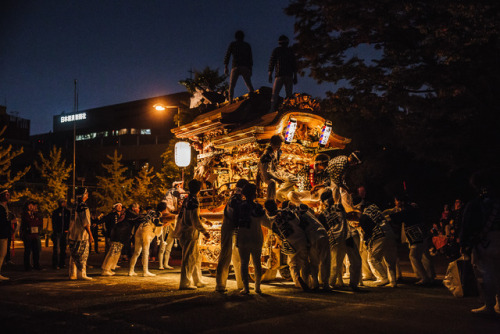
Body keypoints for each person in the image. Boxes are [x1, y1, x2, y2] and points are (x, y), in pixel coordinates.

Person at [460, 168, 500, 315]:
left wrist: (464, 244)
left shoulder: (477, 203)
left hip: (485, 242)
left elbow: (468, 224)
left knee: (486, 274)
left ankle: (489, 305)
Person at [317, 189, 362, 291]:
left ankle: (352, 284)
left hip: (346, 237)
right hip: (337, 239)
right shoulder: (324, 214)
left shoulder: (338, 207)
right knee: (336, 264)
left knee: (352, 261)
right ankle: (330, 283)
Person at [173, 179, 212, 290]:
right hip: (189, 232)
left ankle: (197, 279)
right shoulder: (194, 200)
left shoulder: (188, 199)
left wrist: (204, 221)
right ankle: (185, 282)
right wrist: (204, 231)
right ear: (199, 188)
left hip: (185, 230)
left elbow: (192, 215)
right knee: (189, 258)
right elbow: (194, 219)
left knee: (195, 257)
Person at [350, 200, 398, 288]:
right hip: (390, 232)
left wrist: (368, 244)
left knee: (372, 258)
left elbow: (368, 233)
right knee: (389, 260)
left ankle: (383, 278)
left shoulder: (363, 217)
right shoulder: (375, 208)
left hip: (380, 235)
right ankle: (393, 281)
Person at [389, 195, 435, 285]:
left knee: (414, 256)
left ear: (400, 201)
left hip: (417, 235)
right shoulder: (411, 208)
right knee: (424, 255)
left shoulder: (408, 209)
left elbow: (396, 218)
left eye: (396, 201)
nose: (395, 203)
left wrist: (391, 214)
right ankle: (430, 275)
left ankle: (424, 277)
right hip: (421, 234)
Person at [265, 199, 309, 291]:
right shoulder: (287, 212)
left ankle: (298, 283)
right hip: (301, 236)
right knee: (304, 261)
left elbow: (278, 235)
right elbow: (297, 221)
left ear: (266, 210)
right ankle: (307, 282)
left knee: (293, 264)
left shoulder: (271, 221)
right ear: (276, 205)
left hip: (291, 242)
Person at [236, 183, 271, 294]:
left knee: (244, 263)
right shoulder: (258, 207)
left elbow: (235, 222)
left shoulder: (239, 207)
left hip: (243, 237)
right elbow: (267, 222)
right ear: (254, 194)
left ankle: (246, 288)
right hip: (256, 236)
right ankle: (257, 287)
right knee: (257, 263)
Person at [215, 179, 248, 292]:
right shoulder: (237, 199)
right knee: (227, 255)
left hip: (230, 227)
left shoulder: (234, 197)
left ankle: (239, 283)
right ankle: (221, 285)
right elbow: (236, 216)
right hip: (230, 228)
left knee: (235, 256)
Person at [129, 202, 172, 277]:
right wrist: (165, 225)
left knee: (137, 252)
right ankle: (145, 271)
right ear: (164, 209)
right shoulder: (159, 215)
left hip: (140, 228)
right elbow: (157, 225)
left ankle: (131, 271)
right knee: (145, 251)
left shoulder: (151, 211)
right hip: (146, 230)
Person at [296, 203, 331, 290]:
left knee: (314, 262)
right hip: (322, 235)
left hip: (312, 238)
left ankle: (316, 283)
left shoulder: (299, 217)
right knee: (325, 261)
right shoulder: (311, 215)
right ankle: (325, 283)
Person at [101, 203, 141, 276]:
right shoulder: (130, 213)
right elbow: (139, 217)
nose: (139, 209)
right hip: (119, 234)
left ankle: (108, 268)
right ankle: (106, 269)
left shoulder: (128, 213)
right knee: (114, 251)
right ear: (133, 208)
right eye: (138, 208)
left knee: (116, 252)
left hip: (120, 235)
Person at [159, 181, 186, 270]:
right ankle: (160, 264)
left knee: (170, 243)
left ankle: (165, 263)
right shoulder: (168, 197)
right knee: (163, 243)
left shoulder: (177, 197)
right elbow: (168, 209)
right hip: (166, 223)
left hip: (173, 222)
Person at [68, 188, 93, 280]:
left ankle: (72, 273)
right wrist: (90, 234)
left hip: (72, 234)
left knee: (73, 254)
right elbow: (85, 223)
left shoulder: (74, 206)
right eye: (86, 193)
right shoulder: (84, 207)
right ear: (83, 196)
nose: (88, 195)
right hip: (81, 235)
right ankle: (81, 274)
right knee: (82, 254)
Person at [268, 35, 298, 112]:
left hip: (279, 75)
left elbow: (272, 62)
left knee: (275, 93)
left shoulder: (276, 50)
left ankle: (272, 109)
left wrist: (270, 74)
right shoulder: (290, 51)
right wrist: (295, 76)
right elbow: (294, 64)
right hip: (289, 75)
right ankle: (289, 109)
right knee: (289, 94)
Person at [224, 30, 254, 103]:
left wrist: (226, 66)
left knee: (232, 85)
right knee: (248, 83)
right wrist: (250, 68)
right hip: (245, 67)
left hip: (235, 66)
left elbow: (227, 55)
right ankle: (253, 97)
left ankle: (230, 100)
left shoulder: (233, 44)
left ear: (236, 37)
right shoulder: (247, 45)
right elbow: (250, 58)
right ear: (243, 37)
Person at [258, 135, 284, 200]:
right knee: (272, 182)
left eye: (280, 146)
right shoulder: (266, 156)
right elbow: (266, 172)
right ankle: (271, 200)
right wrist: (277, 179)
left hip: (274, 173)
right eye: (277, 146)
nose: (278, 148)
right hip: (267, 176)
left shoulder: (277, 152)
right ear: (272, 144)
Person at [20, 201, 43, 271]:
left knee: (36, 251)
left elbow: (39, 222)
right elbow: (28, 223)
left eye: (32, 205)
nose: (31, 207)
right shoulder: (25, 215)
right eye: (29, 205)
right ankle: (27, 266)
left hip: (35, 235)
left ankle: (36, 265)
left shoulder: (35, 214)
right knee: (27, 251)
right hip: (28, 235)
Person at [51, 199, 71, 269]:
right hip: (57, 232)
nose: (63, 204)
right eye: (62, 202)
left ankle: (62, 263)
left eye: (64, 202)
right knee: (56, 248)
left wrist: (67, 229)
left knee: (63, 248)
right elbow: (54, 222)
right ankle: (55, 264)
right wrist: (55, 230)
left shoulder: (67, 212)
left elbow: (69, 221)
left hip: (64, 232)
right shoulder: (56, 212)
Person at [0, 189, 14, 280]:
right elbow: (1, 221)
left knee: (3, 254)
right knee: (1, 254)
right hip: (1, 233)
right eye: (6, 195)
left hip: (5, 233)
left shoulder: (7, 207)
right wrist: (10, 222)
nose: (8, 196)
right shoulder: (0, 208)